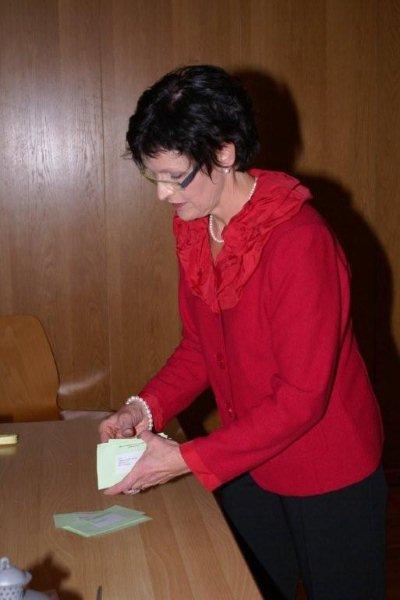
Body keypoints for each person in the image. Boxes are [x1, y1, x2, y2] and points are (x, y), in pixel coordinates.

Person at [99, 65, 387, 599]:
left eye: (174, 176)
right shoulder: (195, 224)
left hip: (328, 471)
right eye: (152, 176)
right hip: (249, 461)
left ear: (225, 152)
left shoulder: (298, 242)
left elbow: (302, 399)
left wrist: (184, 460)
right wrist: (146, 407)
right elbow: (200, 348)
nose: (162, 194)